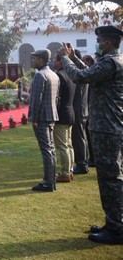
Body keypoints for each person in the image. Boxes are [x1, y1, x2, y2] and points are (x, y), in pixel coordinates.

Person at [59, 26, 123, 245]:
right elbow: (89, 72)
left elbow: (79, 77)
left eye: (98, 40)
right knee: (110, 178)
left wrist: (65, 60)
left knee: (110, 180)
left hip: (107, 129)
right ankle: (113, 223)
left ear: (106, 44)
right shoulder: (114, 61)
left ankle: (116, 229)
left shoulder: (110, 63)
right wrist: (75, 57)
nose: (96, 43)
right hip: (109, 127)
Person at [28, 48, 60, 192]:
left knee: (46, 150)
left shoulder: (40, 76)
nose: (32, 61)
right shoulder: (54, 75)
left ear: (41, 60)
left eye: (34, 58)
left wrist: (33, 118)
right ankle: (51, 181)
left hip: (41, 118)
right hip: (51, 115)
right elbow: (57, 99)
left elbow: (36, 100)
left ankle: (48, 182)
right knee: (51, 150)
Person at [53, 53, 76, 183]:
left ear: (60, 62)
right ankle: (70, 170)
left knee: (62, 145)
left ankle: (65, 172)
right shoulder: (70, 75)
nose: (53, 62)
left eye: (55, 60)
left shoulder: (60, 75)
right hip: (70, 112)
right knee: (68, 144)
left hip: (62, 114)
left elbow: (57, 97)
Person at [72, 50, 90, 175]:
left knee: (78, 138)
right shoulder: (84, 73)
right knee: (81, 138)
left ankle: (82, 164)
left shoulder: (81, 74)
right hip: (83, 109)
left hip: (79, 110)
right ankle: (84, 162)